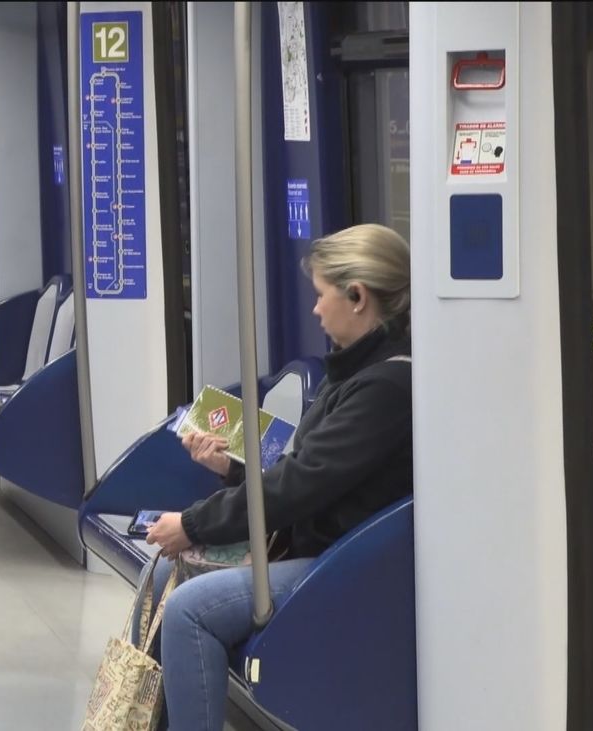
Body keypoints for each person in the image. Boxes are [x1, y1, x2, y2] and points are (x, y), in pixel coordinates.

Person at [142, 223, 413, 730]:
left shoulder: (386, 389)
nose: (315, 309)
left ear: (357, 297)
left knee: (188, 611)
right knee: (162, 574)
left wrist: (196, 525)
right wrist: (232, 468)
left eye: (321, 295)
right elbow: (309, 472)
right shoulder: (356, 375)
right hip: (318, 547)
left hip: (340, 566)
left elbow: (302, 483)